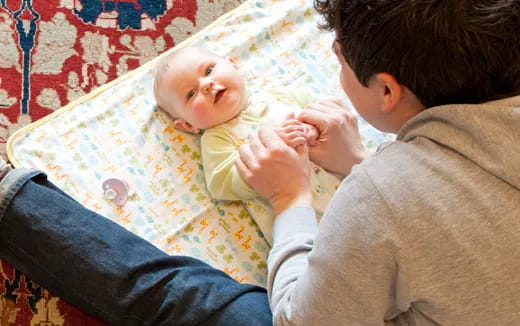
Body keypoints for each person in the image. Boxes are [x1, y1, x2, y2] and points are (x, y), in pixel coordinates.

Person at [235, 0, 520, 324]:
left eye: (340, 60)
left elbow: (300, 320)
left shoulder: (379, 200)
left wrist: (288, 199)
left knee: (187, 288)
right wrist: (361, 160)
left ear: (387, 91)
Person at [153, 46, 345, 244]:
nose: (206, 84)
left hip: (349, 187)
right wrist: (273, 151)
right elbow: (222, 184)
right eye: (191, 94)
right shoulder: (217, 138)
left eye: (209, 70)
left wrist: (314, 129)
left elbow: (330, 113)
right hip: (310, 229)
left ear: (234, 65)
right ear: (187, 125)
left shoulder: (281, 95)